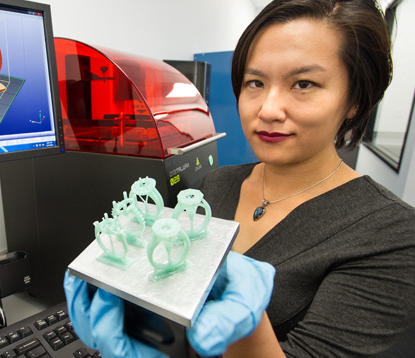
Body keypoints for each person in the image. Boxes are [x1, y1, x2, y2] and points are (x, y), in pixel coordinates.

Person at [63, 0, 415, 357]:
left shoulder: (392, 236)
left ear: (354, 99)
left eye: (304, 83)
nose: (268, 110)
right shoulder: (213, 186)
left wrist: (248, 332)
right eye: (255, 82)